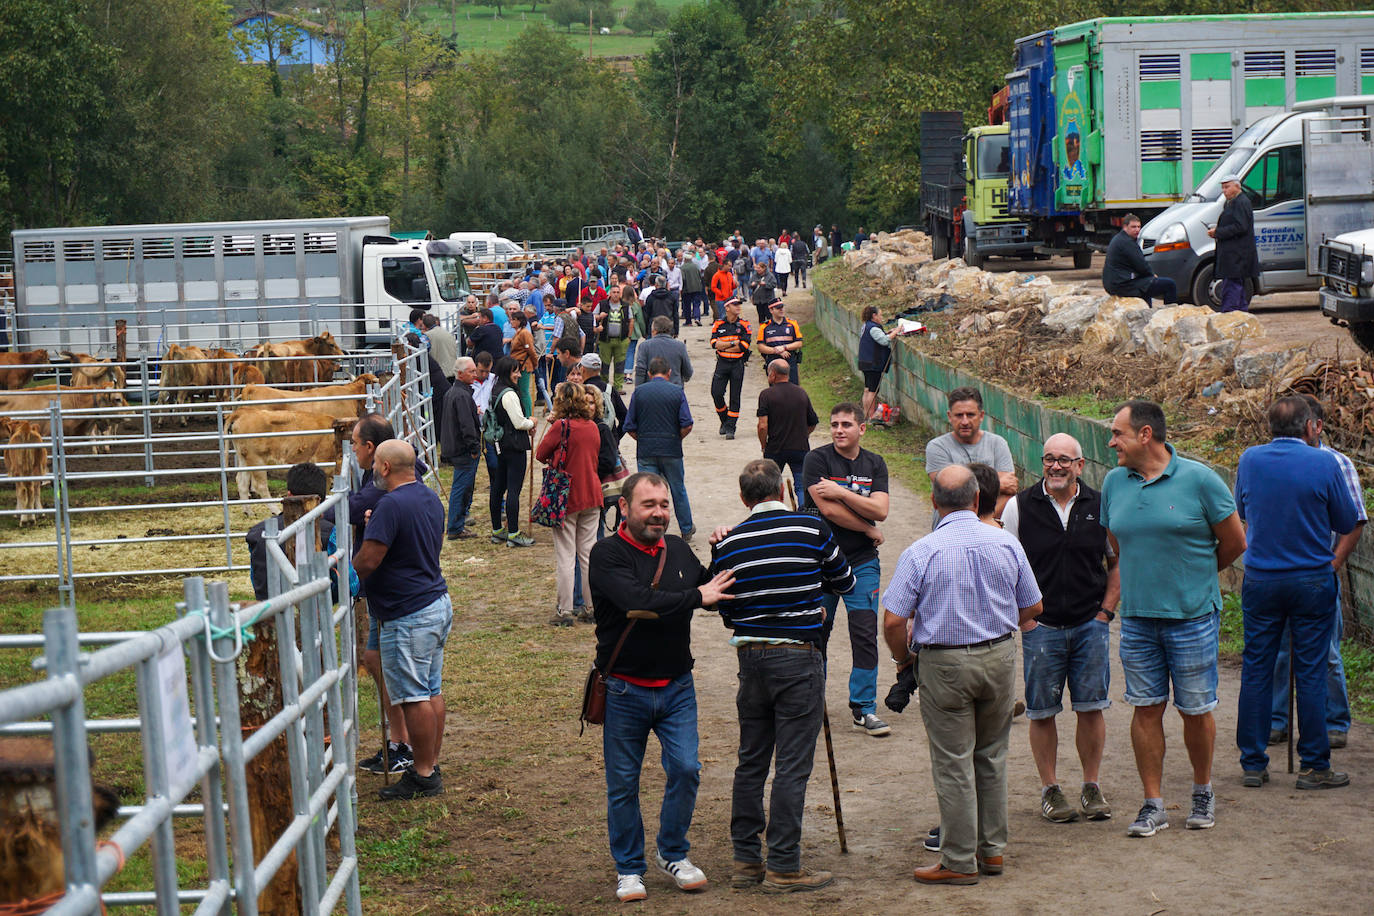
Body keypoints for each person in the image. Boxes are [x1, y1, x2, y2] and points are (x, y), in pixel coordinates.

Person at [882, 465, 1044, 885]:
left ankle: (957, 860)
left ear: (934, 502)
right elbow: (1033, 606)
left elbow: (894, 620)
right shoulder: (1006, 543)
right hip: (999, 657)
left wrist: (903, 660)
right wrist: (999, 624)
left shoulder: (922, 551)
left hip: (945, 664)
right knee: (991, 755)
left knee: (954, 762)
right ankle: (992, 852)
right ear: (976, 500)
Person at [1101, 400, 1246, 836]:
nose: (1112, 442)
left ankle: (1203, 791)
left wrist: (1193, 575)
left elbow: (1235, 542)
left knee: (1195, 709)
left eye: (1118, 433)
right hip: (1138, 619)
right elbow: (1118, 543)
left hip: (1192, 616)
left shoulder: (1201, 480)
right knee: (1145, 708)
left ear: (1145, 434)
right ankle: (1154, 804)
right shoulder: (1114, 482)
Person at [589, 473, 735, 902]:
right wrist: (697, 597)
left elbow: (713, 589)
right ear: (624, 507)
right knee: (623, 784)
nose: (659, 514)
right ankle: (629, 868)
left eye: (664, 505)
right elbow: (640, 601)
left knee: (687, 770)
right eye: (648, 505)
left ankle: (672, 853)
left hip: (677, 687)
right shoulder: (606, 554)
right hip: (623, 689)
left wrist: (723, 549)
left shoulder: (677, 549)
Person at [712, 459, 854, 894]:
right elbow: (846, 582)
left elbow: (726, 610)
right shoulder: (811, 528)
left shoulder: (728, 543)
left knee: (751, 761)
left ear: (744, 498)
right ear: (781, 490)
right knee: (792, 766)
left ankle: (745, 861)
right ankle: (784, 865)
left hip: (751, 660)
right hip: (798, 659)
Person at [1234, 396, 1358, 790]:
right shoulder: (1324, 463)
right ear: (1309, 427)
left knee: (1257, 668)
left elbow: (1241, 511)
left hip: (1261, 580)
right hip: (1311, 580)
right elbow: (1346, 520)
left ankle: (1253, 764)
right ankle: (1314, 766)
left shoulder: (1250, 460)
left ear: (1268, 427)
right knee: (1311, 671)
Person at [1000, 433, 1120, 823]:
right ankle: (1050, 789)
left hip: (1090, 625)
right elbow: (1006, 565)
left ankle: (1091, 786)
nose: (1056, 466)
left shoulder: (1100, 505)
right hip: (1042, 628)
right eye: (1049, 458)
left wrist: (1106, 613)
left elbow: (1117, 561)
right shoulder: (1019, 507)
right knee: (1041, 711)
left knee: (1091, 708)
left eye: (1064, 460)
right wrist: (1026, 620)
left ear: (1080, 466)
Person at [353, 440, 451, 801]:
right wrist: (377, 524)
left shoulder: (390, 505)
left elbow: (369, 559)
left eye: (375, 465)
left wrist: (345, 575)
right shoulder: (428, 497)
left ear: (384, 467)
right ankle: (429, 764)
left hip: (407, 613)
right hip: (434, 602)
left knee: (412, 696)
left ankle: (423, 774)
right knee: (430, 689)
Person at [1271, 394, 1366, 748]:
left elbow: (1355, 520)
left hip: (1318, 573)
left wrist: (1334, 564)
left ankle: (1334, 721)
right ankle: (1277, 721)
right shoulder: (1270, 462)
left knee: (1326, 652)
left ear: (1316, 427)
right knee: (1280, 651)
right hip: (1279, 573)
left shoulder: (1337, 464)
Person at [803, 402, 891, 736]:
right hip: (820, 562)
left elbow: (881, 510)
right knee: (816, 633)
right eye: (834, 424)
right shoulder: (817, 459)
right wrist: (866, 526)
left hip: (862, 562)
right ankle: (813, 704)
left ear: (862, 428)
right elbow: (828, 511)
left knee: (865, 633)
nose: (839, 430)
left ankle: (864, 708)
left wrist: (840, 491)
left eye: (846, 424)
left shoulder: (875, 463)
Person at [538, 382, 605, 627]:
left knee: (566, 556)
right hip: (592, 493)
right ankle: (591, 607)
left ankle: (564, 609)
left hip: (566, 496)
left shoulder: (561, 426)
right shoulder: (593, 427)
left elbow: (540, 454)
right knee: (587, 554)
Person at [624, 357, 695, 539]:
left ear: (649, 373)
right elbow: (687, 424)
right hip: (671, 449)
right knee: (678, 489)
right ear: (669, 373)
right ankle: (686, 528)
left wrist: (642, 439)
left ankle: (650, 529)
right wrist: (676, 438)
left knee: (648, 492)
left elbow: (629, 425)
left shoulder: (639, 392)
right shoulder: (677, 392)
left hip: (646, 450)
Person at [924, 387, 1018, 519]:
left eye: (970, 415)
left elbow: (1009, 490)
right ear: (949, 416)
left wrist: (982, 522)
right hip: (952, 525)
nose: (965, 422)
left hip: (990, 524)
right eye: (959, 415)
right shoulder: (937, 447)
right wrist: (997, 484)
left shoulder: (998, 444)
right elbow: (949, 490)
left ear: (981, 416)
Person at [487, 356, 536, 548]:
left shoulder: (495, 389)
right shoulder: (509, 394)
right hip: (514, 446)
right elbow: (519, 422)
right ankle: (514, 533)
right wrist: (532, 422)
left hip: (500, 445)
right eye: (515, 371)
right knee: (513, 489)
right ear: (507, 372)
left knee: (498, 487)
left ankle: (497, 530)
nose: (519, 375)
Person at [757, 358, 817, 498]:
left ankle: (776, 509)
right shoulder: (801, 393)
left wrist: (764, 445)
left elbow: (762, 426)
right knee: (801, 486)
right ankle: (803, 509)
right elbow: (813, 422)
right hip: (800, 447)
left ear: (773, 374)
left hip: (775, 448)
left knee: (771, 486)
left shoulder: (766, 395)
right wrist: (803, 435)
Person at [439, 357, 482, 540]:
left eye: (475, 371)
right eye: (471, 371)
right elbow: (466, 425)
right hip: (463, 449)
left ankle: (457, 523)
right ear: (460, 374)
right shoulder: (462, 396)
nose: (475, 374)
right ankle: (455, 527)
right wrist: (474, 447)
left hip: (454, 447)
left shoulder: (452, 393)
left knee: (462, 487)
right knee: (461, 488)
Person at [1207, 175, 1260, 313]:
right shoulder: (1232, 202)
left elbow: (1240, 226)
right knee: (1237, 291)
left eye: (1227, 187)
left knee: (1232, 291)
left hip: (1237, 256)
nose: (1224, 191)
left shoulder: (1241, 202)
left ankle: (1231, 317)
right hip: (1234, 256)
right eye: (1222, 188)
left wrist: (1218, 232)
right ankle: (1240, 317)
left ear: (1237, 186)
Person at [1102, 214, 1178, 306]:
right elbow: (1141, 265)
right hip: (1122, 286)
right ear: (1125, 227)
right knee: (1169, 284)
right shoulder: (1127, 243)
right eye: (1133, 227)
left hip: (1114, 284)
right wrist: (1152, 275)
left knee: (1146, 285)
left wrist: (1148, 276)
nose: (1137, 230)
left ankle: (1146, 311)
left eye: (1139, 227)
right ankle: (1170, 312)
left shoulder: (1119, 239)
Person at [709, 298, 751, 439]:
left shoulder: (744, 324)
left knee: (735, 396)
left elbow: (744, 346)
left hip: (737, 364)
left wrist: (724, 345)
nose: (738, 307)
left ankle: (731, 427)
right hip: (722, 363)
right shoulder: (718, 324)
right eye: (735, 305)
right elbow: (714, 344)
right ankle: (724, 420)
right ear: (727, 308)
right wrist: (733, 342)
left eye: (739, 304)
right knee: (716, 393)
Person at [633, 315, 693, 387]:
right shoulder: (680, 346)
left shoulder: (644, 346)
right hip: (674, 388)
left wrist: (638, 388)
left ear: (654, 331)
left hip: (650, 389)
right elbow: (688, 372)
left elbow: (640, 371)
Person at [857, 305, 893, 423]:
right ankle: (872, 417)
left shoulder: (866, 326)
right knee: (873, 391)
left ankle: (866, 415)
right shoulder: (873, 328)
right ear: (874, 315)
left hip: (865, 362)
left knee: (867, 389)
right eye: (880, 315)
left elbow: (878, 337)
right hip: (873, 363)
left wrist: (887, 333)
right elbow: (884, 341)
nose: (881, 317)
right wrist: (896, 332)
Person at [756, 299, 802, 385]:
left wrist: (784, 347)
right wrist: (777, 351)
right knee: (775, 389)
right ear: (771, 310)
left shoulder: (792, 324)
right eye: (778, 308)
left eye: (782, 307)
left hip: (790, 360)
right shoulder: (764, 327)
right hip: (773, 361)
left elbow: (799, 343)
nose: (781, 310)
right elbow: (760, 347)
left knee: (793, 388)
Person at [597, 284, 634, 390]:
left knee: (620, 365)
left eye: (618, 292)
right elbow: (593, 316)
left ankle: (618, 387)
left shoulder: (626, 306)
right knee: (604, 365)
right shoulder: (602, 304)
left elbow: (631, 320)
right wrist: (599, 317)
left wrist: (629, 337)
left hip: (621, 340)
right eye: (614, 292)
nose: (616, 294)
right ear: (610, 293)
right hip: (605, 340)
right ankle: (604, 387)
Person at [507, 309, 537, 416]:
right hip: (517, 365)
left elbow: (531, 350)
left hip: (524, 365)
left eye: (513, 320)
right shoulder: (518, 333)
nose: (511, 322)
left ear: (519, 321)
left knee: (524, 391)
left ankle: (528, 415)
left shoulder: (524, 333)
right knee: (519, 391)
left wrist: (535, 363)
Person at [421, 314, 458, 381]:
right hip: (452, 370)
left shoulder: (427, 336)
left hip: (439, 373)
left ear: (424, 325)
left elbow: (420, 349)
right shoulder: (447, 333)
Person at [747, 261, 778, 326]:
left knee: (769, 316)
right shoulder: (754, 276)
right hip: (758, 301)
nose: (757, 269)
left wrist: (765, 284)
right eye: (757, 268)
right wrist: (752, 285)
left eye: (759, 268)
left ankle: (771, 328)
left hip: (768, 300)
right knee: (761, 317)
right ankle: (762, 329)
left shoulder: (770, 276)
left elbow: (774, 284)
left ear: (764, 268)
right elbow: (749, 284)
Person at [680, 250, 704, 326]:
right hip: (697, 288)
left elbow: (683, 279)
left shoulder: (682, 268)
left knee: (687, 305)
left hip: (687, 289)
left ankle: (688, 321)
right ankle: (697, 318)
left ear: (685, 259)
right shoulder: (696, 266)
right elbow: (700, 276)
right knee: (696, 304)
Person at [709, 254, 737, 322]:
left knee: (730, 316)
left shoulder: (729, 274)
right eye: (729, 266)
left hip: (729, 299)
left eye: (731, 266)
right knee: (722, 316)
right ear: (724, 265)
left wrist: (735, 284)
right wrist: (721, 294)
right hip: (720, 300)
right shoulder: (717, 275)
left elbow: (732, 286)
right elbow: (713, 287)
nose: (730, 267)